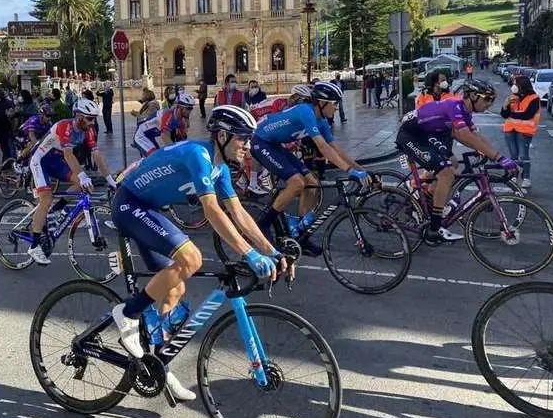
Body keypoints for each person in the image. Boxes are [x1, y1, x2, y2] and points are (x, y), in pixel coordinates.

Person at [110, 105, 288, 401]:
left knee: (175, 289)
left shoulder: (221, 169)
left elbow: (238, 213)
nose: (247, 145)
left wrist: (272, 251)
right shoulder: (198, 155)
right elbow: (212, 210)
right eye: (242, 138)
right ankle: (127, 313)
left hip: (149, 209)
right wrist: (249, 254)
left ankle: (158, 365)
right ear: (222, 136)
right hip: (129, 204)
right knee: (192, 258)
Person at [251, 82, 370, 256]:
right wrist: (349, 171)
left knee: (313, 184)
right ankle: (264, 223)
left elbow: (336, 148)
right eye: (334, 103)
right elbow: (323, 147)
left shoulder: (322, 121)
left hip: (275, 144)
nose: (336, 108)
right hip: (261, 141)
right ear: (321, 102)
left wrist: (362, 170)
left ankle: (300, 236)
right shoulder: (306, 112)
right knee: (297, 183)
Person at [395, 79, 519, 243]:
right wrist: (498, 157)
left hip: (429, 135)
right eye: (487, 99)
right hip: (411, 135)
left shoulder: (465, 112)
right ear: (473, 96)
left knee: (452, 164)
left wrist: (500, 157)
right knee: (446, 173)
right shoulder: (455, 106)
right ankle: (434, 228)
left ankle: (425, 196)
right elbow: (464, 135)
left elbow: (475, 136)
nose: (489, 104)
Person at [24, 98, 116, 265]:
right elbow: (68, 154)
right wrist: (82, 175)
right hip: (40, 160)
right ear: (79, 117)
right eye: (90, 118)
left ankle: (56, 210)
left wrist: (110, 179)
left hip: (57, 161)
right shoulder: (64, 126)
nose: (93, 122)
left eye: (94, 119)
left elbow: (97, 155)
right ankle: (34, 246)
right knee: (46, 199)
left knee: (82, 186)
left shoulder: (88, 130)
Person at [500, 74, 538, 189]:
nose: (513, 86)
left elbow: (527, 115)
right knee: (514, 155)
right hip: (510, 130)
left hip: (524, 131)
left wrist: (511, 114)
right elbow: (504, 114)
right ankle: (514, 175)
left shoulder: (534, 98)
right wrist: (505, 105)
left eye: (516, 84)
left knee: (523, 156)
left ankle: (526, 178)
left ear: (522, 85)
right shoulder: (512, 97)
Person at [132, 93, 194, 157]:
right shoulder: (168, 114)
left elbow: (181, 141)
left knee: (160, 156)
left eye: (191, 108)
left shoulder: (182, 120)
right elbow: (165, 136)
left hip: (151, 136)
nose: (190, 111)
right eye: (188, 108)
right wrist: (175, 152)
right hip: (141, 136)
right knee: (155, 157)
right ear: (180, 107)